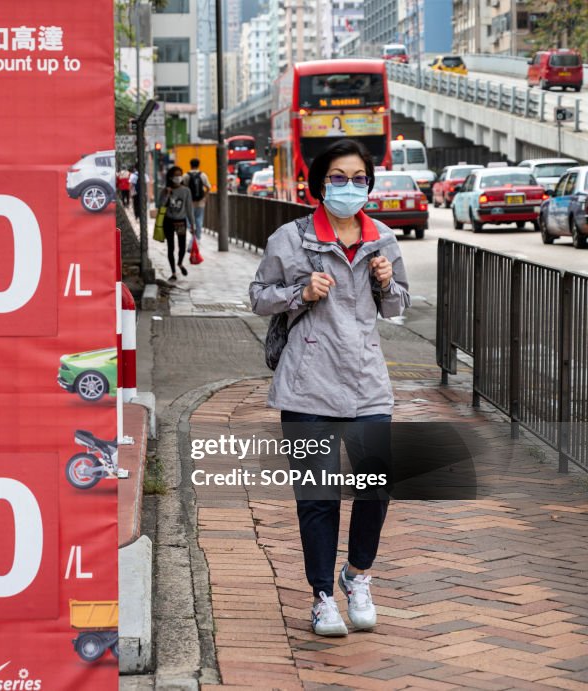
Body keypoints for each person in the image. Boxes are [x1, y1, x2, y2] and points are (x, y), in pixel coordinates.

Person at [248, 139, 410, 638]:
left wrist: (387, 283)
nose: (348, 186)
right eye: (337, 178)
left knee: (375, 488)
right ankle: (322, 597)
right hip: (308, 385)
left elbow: (397, 307)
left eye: (358, 178)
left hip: (366, 383)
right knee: (318, 497)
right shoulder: (291, 238)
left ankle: (357, 576)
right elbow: (257, 298)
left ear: (368, 184)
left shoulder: (382, 238)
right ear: (320, 184)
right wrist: (300, 291)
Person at [159, 165, 197, 281]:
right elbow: (161, 205)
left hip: (181, 222)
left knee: (182, 246)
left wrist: (192, 224)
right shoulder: (165, 190)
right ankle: (173, 272)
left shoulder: (186, 191)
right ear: (170, 177)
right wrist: (167, 194)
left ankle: (180, 263)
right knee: (170, 247)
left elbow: (189, 208)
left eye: (180, 175)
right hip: (168, 221)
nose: (178, 177)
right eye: (175, 175)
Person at [186, 158, 211, 240]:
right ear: (198, 165)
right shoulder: (202, 175)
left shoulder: (186, 176)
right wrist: (205, 198)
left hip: (189, 202)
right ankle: (198, 238)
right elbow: (208, 187)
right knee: (199, 219)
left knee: (189, 219)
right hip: (200, 202)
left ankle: (192, 234)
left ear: (190, 165)